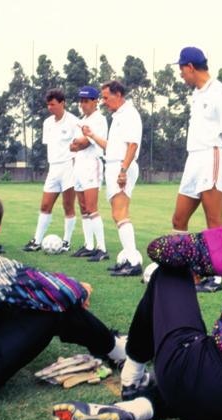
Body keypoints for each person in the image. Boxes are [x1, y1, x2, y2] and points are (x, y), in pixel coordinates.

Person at [53, 182, 222, 420]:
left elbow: (162, 249)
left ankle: (131, 378)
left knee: (169, 271)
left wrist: (203, 266)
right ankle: (136, 409)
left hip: (204, 384)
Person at [0, 191, 126, 408]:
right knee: (53, 308)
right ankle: (115, 349)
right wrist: (81, 290)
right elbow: (57, 291)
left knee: (16, 298)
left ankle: (109, 343)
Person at [172, 47, 222, 293]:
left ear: (190, 67)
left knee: (213, 221)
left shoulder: (219, 93)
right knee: (179, 219)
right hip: (194, 159)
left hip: (212, 156)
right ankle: (182, 273)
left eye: (181, 68)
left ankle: (215, 278)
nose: (181, 74)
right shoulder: (197, 93)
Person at [82, 80, 143, 277]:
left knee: (120, 213)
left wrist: (123, 170)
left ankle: (133, 262)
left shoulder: (130, 114)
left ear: (118, 94)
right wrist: (91, 135)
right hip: (114, 163)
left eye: (106, 98)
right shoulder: (118, 116)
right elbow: (111, 146)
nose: (104, 102)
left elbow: (132, 146)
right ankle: (127, 259)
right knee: (118, 214)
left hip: (120, 166)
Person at [23, 89, 78, 253]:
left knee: (68, 206)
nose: (50, 107)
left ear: (62, 103)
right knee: (45, 205)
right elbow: (51, 147)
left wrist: (76, 168)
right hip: (53, 168)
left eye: (53, 104)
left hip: (69, 166)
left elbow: (79, 146)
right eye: (48, 105)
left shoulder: (74, 122)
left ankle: (66, 241)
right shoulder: (47, 123)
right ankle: (37, 241)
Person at [70, 86, 109, 262]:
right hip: (78, 164)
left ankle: (102, 248)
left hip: (92, 163)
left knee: (92, 207)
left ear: (95, 101)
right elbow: (73, 145)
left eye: (86, 101)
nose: (83, 104)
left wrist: (80, 142)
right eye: (81, 101)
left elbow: (85, 143)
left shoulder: (99, 119)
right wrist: (78, 143)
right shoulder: (80, 121)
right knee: (83, 208)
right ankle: (89, 245)